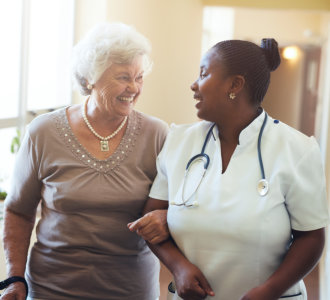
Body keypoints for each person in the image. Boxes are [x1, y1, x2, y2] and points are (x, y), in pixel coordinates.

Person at [129, 38, 329, 300]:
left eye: (203, 74)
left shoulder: (297, 150)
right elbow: (151, 216)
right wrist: (179, 267)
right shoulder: (179, 141)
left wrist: (269, 291)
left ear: (235, 85)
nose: (194, 84)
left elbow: (311, 237)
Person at [1, 22, 169, 300]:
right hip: (51, 289)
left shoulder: (157, 134)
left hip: (130, 289)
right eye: (123, 77)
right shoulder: (43, 132)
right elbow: (18, 210)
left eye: (139, 77)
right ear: (91, 78)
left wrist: (166, 217)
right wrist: (14, 278)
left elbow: (177, 205)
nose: (134, 88)